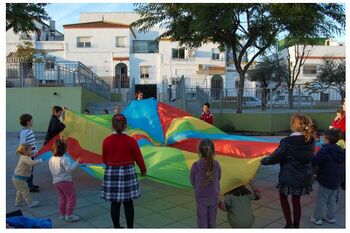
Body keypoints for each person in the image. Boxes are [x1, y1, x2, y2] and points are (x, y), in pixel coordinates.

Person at [261, 113, 315, 228]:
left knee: (283, 196)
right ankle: (296, 226)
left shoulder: (287, 142)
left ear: (294, 125)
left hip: (289, 177)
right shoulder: (310, 140)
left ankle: (288, 224)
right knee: (296, 201)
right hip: (304, 177)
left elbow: (276, 157)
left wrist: (263, 160)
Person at [101, 114, 147, 228]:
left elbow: (104, 159)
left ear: (112, 125)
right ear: (125, 125)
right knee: (128, 203)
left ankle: (116, 227)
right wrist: (143, 170)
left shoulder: (106, 140)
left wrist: (111, 166)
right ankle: (130, 228)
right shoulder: (131, 141)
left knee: (115, 203)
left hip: (112, 172)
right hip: (127, 172)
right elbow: (138, 158)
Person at [310, 129, 345, 225]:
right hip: (336, 179)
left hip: (325, 179)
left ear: (327, 139)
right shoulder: (341, 150)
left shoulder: (324, 150)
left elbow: (314, 162)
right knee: (332, 199)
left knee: (321, 200)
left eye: (324, 137)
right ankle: (331, 217)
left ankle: (317, 218)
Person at [190, 139, 221, 228]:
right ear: (213, 150)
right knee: (212, 219)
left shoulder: (195, 165)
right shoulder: (217, 164)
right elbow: (219, 177)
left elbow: (192, 181)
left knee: (202, 219)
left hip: (201, 196)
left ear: (199, 151)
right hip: (214, 195)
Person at [49, 138, 80, 222]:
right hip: (65, 182)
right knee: (71, 197)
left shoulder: (51, 159)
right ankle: (69, 215)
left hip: (56, 182)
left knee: (62, 198)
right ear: (64, 149)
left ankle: (62, 214)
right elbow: (69, 170)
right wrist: (77, 163)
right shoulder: (64, 159)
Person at [12, 143, 43, 208]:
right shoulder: (25, 158)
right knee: (25, 190)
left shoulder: (25, 157)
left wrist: (33, 156)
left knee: (20, 190)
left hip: (18, 178)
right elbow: (31, 163)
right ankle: (29, 203)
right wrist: (40, 160)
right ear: (25, 151)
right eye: (30, 150)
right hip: (19, 178)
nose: (32, 151)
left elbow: (30, 159)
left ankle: (18, 202)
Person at [19, 114, 39, 192]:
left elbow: (33, 143)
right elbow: (22, 144)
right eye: (31, 120)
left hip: (32, 154)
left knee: (30, 170)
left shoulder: (29, 130)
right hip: (27, 155)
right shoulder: (23, 132)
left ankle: (30, 184)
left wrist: (35, 152)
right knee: (27, 171)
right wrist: (24, 155)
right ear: (28, 122)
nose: (32, 122)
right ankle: (29, 187)